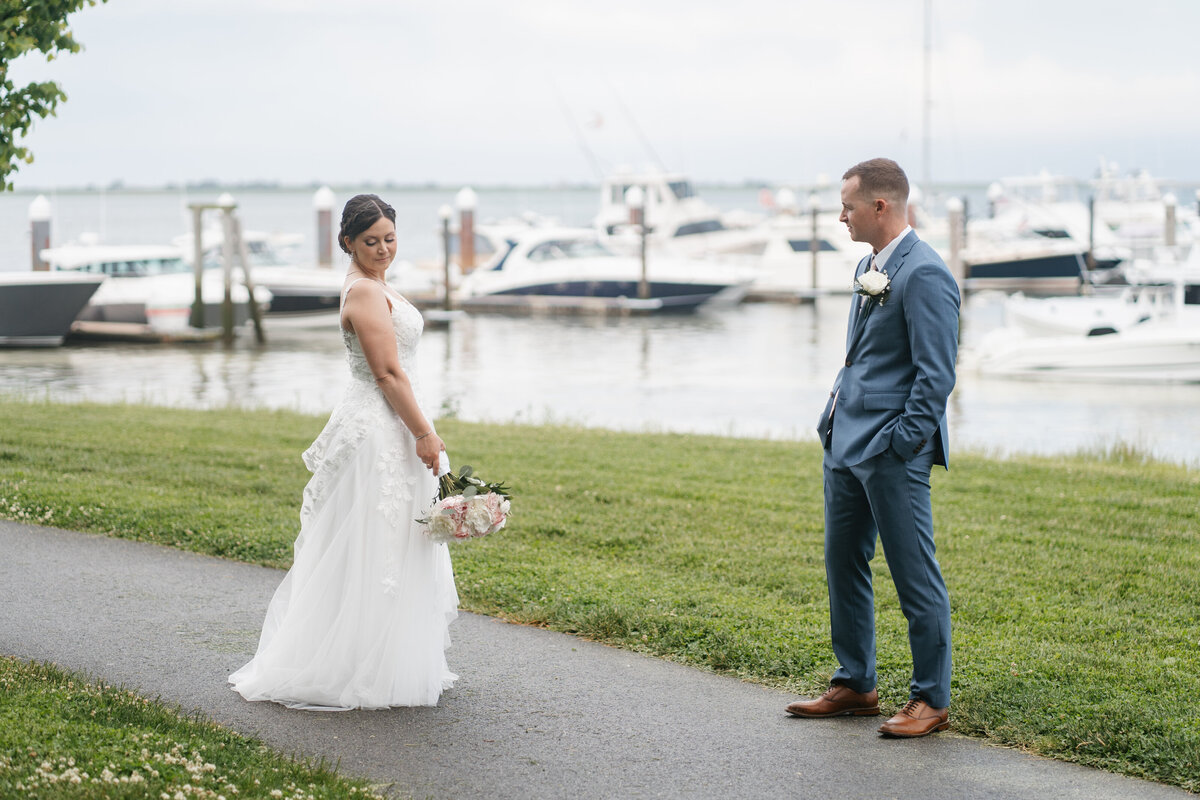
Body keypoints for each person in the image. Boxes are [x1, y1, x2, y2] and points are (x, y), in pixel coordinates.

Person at [229, 194, 459, 710]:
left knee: (400, 541)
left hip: (398, 421)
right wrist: (424, 433)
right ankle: (357, 665)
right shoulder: (362, 294)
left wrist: (421, 429)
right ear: (348, 243)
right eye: (371, 241)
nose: (382, 249)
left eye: (390, 239)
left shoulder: (378, 285)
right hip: (381, 428)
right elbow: (387, 374)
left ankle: (392, 658)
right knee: (374, 544)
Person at [786, 159, 960, 737]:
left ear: (879, 207)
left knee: (915, 576)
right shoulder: (868, 265)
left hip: (889, 451)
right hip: (844, 440)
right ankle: (855, 683)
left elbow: (935, 377)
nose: (841, 215)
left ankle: (930, 698)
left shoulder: (926, 274)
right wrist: (833, 420)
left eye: (847, 205)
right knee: (843, 562)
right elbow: (863, 355)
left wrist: (900, 444)